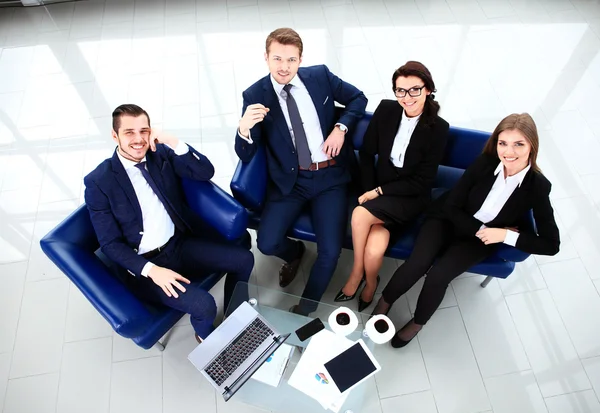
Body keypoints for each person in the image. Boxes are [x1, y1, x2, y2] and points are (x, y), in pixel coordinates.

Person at [371, 113, 560, 348]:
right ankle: (385, 302)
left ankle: (418, 323)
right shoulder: (485, 163)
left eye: (518, 144)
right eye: (503, 143)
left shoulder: (539, 187)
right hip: (448, 219)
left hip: (480, 240)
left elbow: (551, 245)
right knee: (417, 263)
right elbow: (451, 206)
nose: (508, 152)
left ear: (532, 145)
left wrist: (504, 235)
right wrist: (484, 229)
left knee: (438, 277)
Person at [84, 104, 254, 343]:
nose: (138, 139)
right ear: (115, 136)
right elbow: (111, 245)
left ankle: (237, 316)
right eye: (129, 132)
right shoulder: (98, 182)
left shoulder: (159, 153)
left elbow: (205, 171)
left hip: (178, 244)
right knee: (204, 305)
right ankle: (206, 337)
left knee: (244, 258)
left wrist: (173, 141)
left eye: (144, 131)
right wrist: (153, 272)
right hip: (145, 267)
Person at [234, 28, 367, 314]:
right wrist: (243, 128)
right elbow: (246, 153)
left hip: (331, 177)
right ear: (266, 58)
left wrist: (341, 128)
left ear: (300, 59)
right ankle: (295, 253)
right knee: (267, 242)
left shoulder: (319, 76)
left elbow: (358, 99)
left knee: (330, 252)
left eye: (291, 60)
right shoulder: (255, 95)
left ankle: (304, 310)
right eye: (277, 59)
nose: (284, 67)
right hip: (290, 181)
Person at [334, 61, 449, 312]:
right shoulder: (387, 110)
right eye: (400, 90)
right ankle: (372, 281)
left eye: (414, 90)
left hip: (409, 197)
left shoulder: (438, 129)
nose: (406, 97)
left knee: (360, 213)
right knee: (374, 251)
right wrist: (370, 190)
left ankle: (355, 275)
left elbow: (422, 182)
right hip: (378, 188)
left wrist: (378, 193)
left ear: (428, 89)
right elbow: (366, 155)